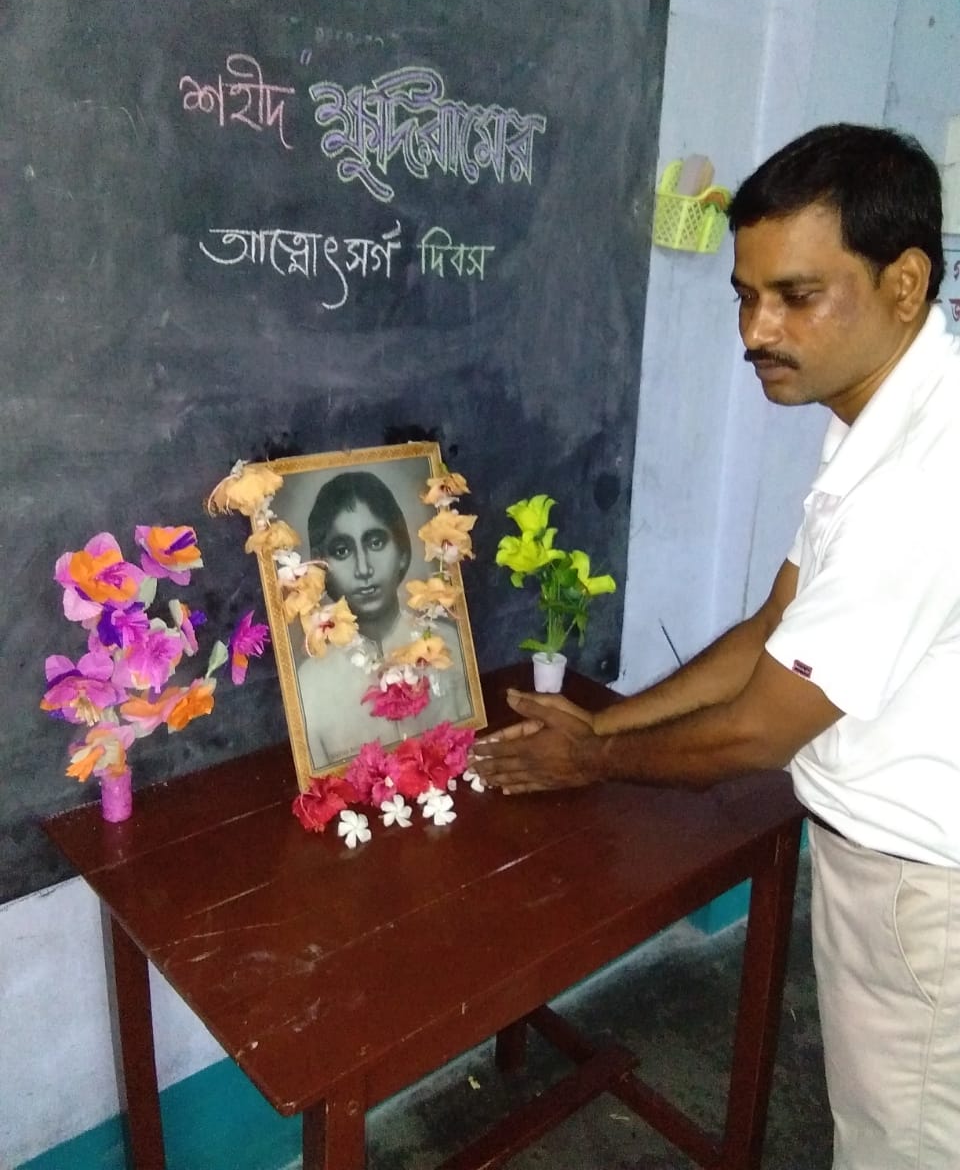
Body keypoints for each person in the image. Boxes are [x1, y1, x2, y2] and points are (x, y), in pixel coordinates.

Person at [472, 124, 958, 1170]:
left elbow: (758, 730)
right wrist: (604, 719)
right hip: (893, 864)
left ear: (906, 282)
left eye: (795, 296)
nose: (756, 330)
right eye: (745, 296)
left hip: (922, 893)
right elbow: (776, 623)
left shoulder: (924, 475)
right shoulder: (875, 412)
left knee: (904, 1142)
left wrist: (591, 760)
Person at [297, 471, 470, 767]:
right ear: (320, 566)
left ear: (402, 550)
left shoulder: (449, 644)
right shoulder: (308, 685)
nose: (363, 569)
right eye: (342, 550)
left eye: (375, 542)